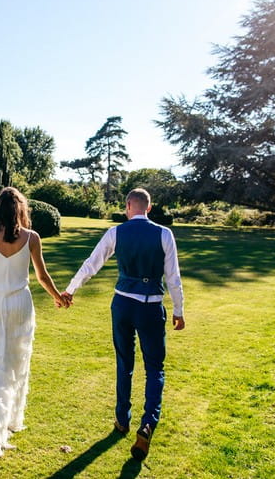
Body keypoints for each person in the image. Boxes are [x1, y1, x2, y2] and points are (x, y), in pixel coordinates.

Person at [62, 188, 185, 461]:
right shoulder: (164, 234)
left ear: (129, 206)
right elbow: (173, 277)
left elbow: (91, 264)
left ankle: (122, 419)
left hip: (123, 306)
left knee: (124, 363)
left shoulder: (116, 232)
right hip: (151, 307)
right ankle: (148, 423)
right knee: (155, 367)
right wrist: (178, 310)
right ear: (149, 208)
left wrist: (71, 289)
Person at [0, 187, 68, 457]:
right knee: (15, 361)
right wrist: (58, 297)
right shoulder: (32, 237)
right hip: (20, 305)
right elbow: (42, 276)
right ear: (21, 210)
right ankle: (7, 421)